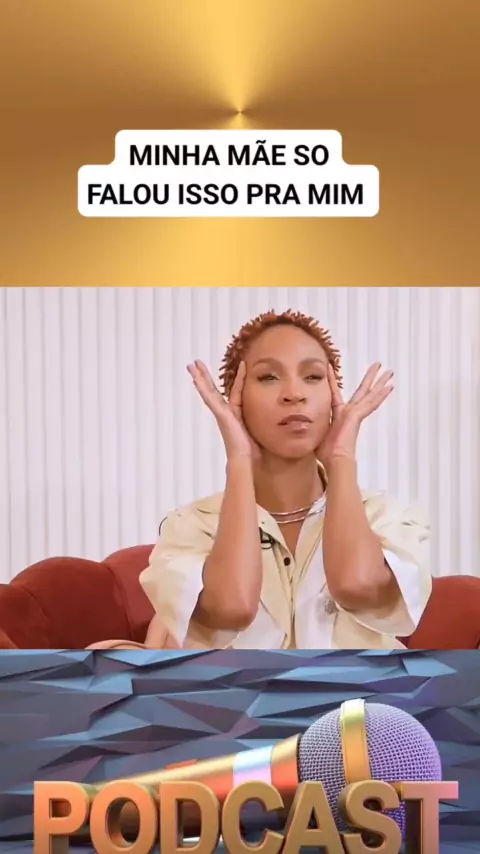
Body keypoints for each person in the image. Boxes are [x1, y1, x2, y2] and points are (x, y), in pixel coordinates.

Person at [138, 309, 432, 650]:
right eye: (268, 377)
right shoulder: (189, 527)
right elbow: (231, 608)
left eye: (313, 376)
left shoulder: (387, 516)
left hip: (360, 688)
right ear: (237, 398)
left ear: (332, 396)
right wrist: (239, 460)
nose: (294, 393)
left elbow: (358, 587)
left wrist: (341, 459)